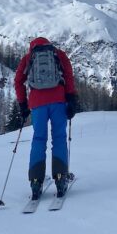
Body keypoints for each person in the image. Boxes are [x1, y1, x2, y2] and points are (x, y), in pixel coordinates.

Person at [15, 37, 77, 199]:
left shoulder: (28, 58)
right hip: (58, 101)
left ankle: (36, 181)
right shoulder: (59, 54)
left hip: (37, 104)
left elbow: (18, 82)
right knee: (59, 138)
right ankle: (60, 178)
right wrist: (71, 99)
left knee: (39, 139)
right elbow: (69, 76)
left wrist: (23, 103)